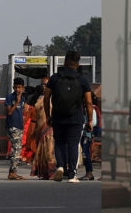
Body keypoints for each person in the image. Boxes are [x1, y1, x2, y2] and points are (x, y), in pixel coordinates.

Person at [43, 50, 93, 183]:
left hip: (58, 116)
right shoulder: (82, 79)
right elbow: (88, 102)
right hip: (76, 117)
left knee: (59, 142)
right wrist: (90, 120)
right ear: (78, 63)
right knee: (72, 144)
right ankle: (72, 174)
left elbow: (46, 97)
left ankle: (60, 166)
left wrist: (48, 116)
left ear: (65, 62)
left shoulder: (55, 78)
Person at [5, 77, 27, 180]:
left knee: (17, 150)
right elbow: (9, 112)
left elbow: (23, 111)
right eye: (16, 87)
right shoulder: (10, 97)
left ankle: (13, 171)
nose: (17, 90)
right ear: (13, 87)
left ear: (23, 88)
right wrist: (17, 102)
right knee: (16, 150)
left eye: (19, 87)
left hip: (20, 126)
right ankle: (12, 172)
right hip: (13, 126)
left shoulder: (23, 98)